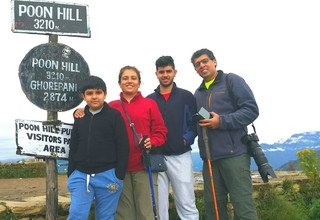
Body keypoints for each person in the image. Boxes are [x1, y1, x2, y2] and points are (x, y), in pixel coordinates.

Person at [74, 66, 168, 220]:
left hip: (143, 166)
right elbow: (93, 112)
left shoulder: (149, 104)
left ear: (139, 82)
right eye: (125, 78)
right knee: (123, 215)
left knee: (146, 213)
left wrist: (153, 141)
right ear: (119, 83)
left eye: (133, 78)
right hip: (118, 168)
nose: (129, 81)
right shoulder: (111, 106)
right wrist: (79, 111)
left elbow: (161, 132)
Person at [191, 48, 259, 220]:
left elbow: (251, 110)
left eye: (205, 61)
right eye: (197, 64)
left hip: (235, 154)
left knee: (243, 207)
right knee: (214, 209)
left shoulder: (232, 80)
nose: (201, 66)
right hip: (210, 159)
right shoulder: (197, 93)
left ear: (214, 61)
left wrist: (221, 121)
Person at [67, 75, 130, 220]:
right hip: (81, 175)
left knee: (105, 216)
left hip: (108, 175)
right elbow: (74, 145)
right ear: (83, 96)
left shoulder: (114, 116)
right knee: (77, 214)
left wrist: (119, 175)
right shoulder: (80, 117)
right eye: (89, 93)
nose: (94, 97)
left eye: (98, 92)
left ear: (105, 94)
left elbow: (123, 146)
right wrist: (72, 172)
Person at [147, 56, 199, 220]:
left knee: (186, 202)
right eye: (161, 72)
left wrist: (187, 139)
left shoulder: (187, 96)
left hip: (181, 155)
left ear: (174, 72)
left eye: (168, 71)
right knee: (158, 206)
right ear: (156, 74)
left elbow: (196, 121)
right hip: (157, 157)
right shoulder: (149, 100)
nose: (165, 75)